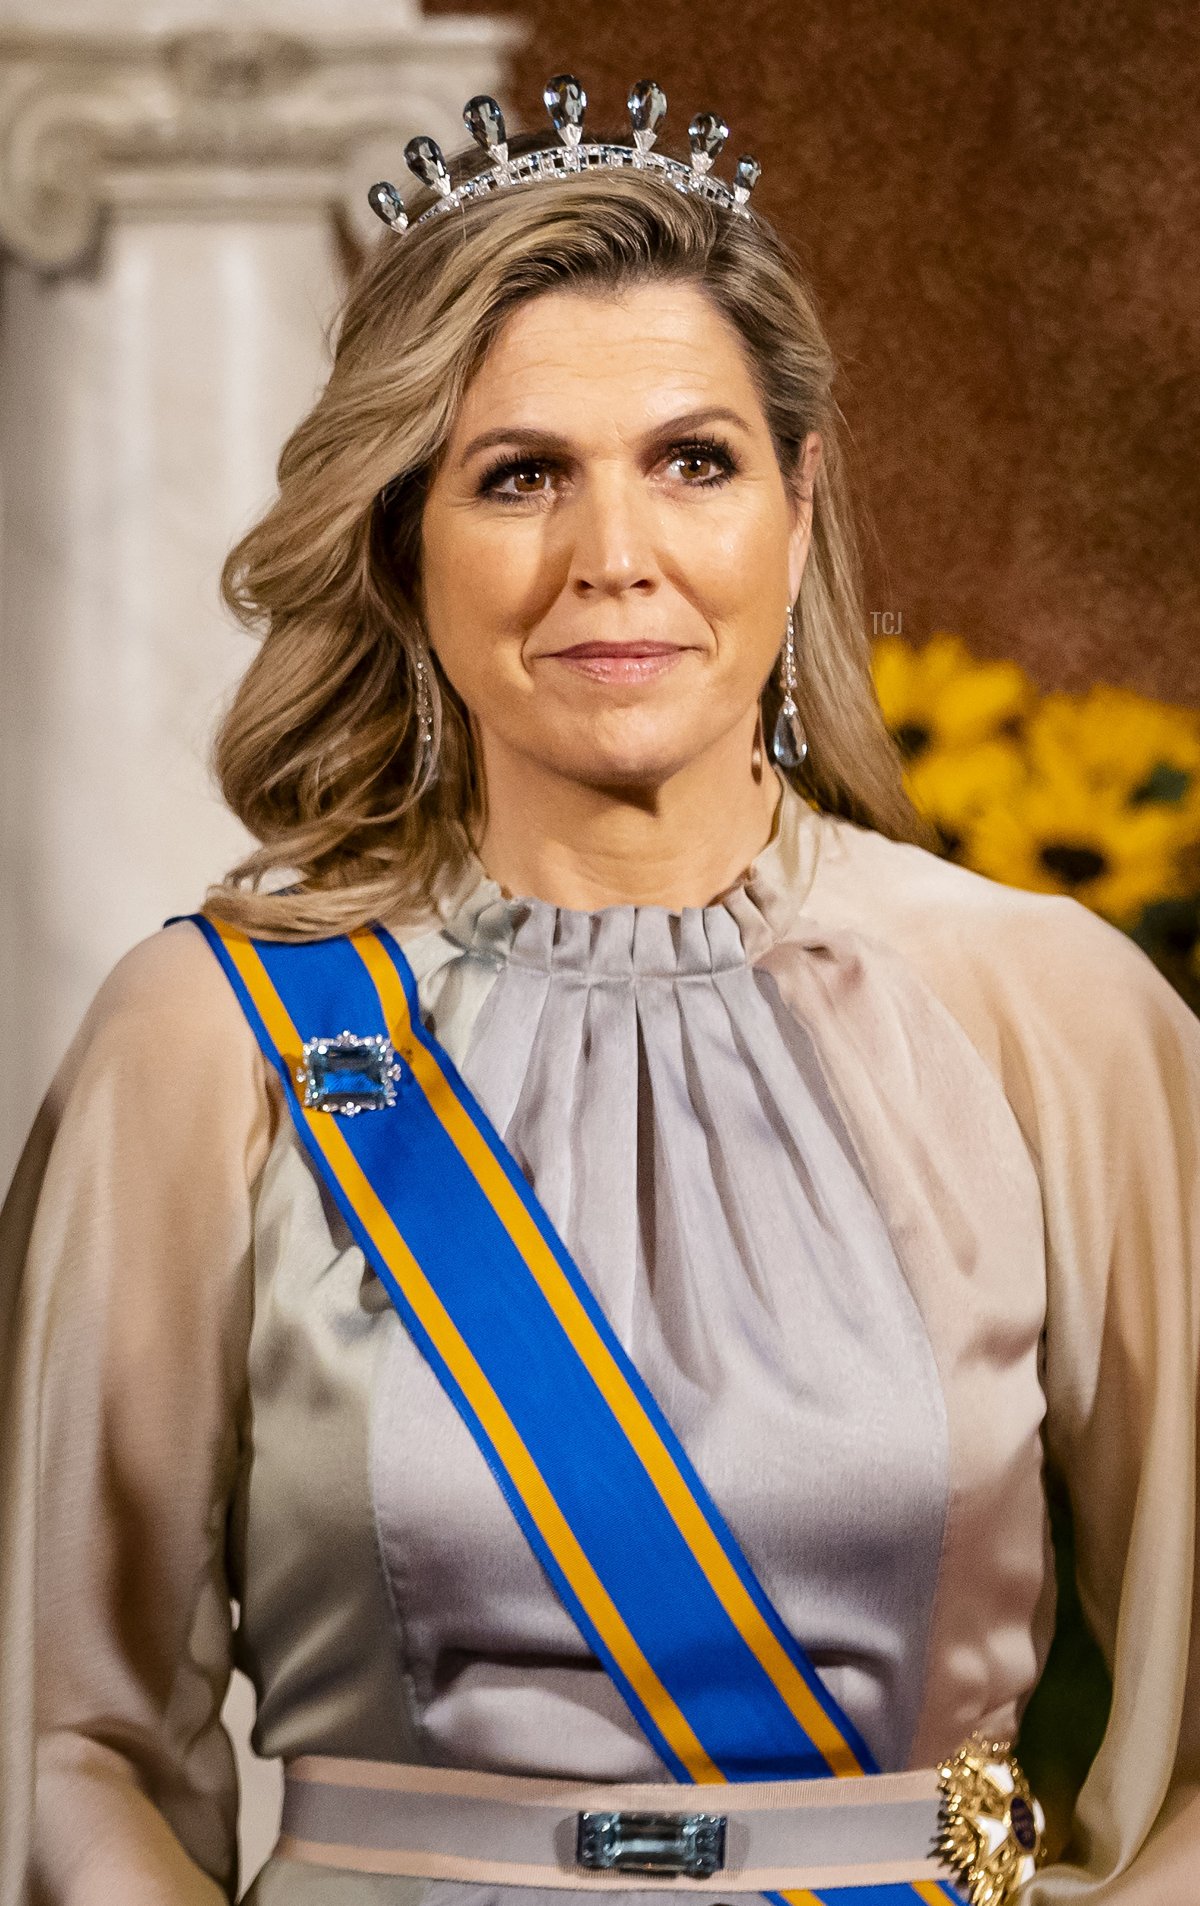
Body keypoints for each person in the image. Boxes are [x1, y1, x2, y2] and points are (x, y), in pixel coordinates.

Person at [1, 74, 1197, 1906]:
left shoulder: (1056, 1019)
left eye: (692, 460)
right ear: (406, 542)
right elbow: (64, 1737)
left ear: (798, 515)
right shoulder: (209, 1043)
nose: (610, 554)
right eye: (520, 474)